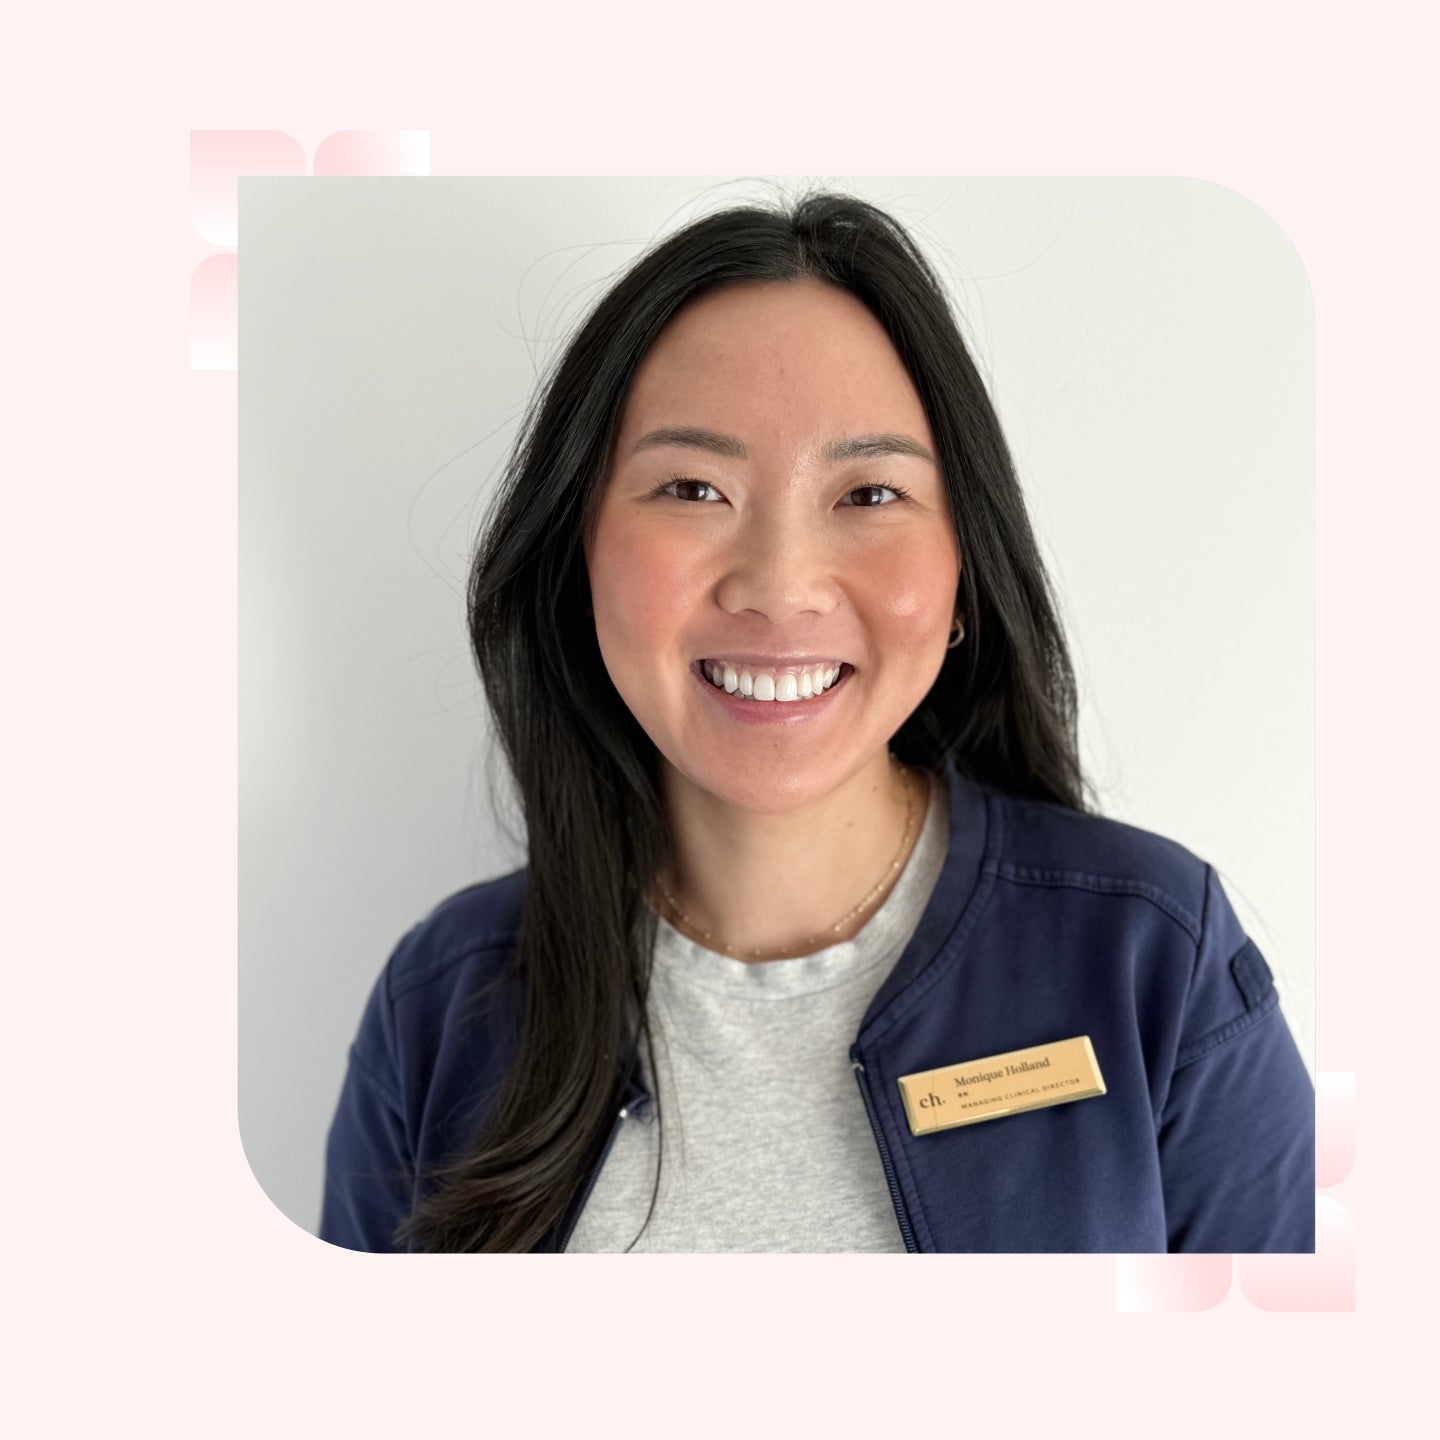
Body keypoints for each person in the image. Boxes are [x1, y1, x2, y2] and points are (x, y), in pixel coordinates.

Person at [319, 191, 1314, 1254]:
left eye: (871, 495)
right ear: (579, 562)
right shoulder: (443, 1004)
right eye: (693, 488)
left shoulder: (1152, 961)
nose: (781, 587)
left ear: (965, 571)